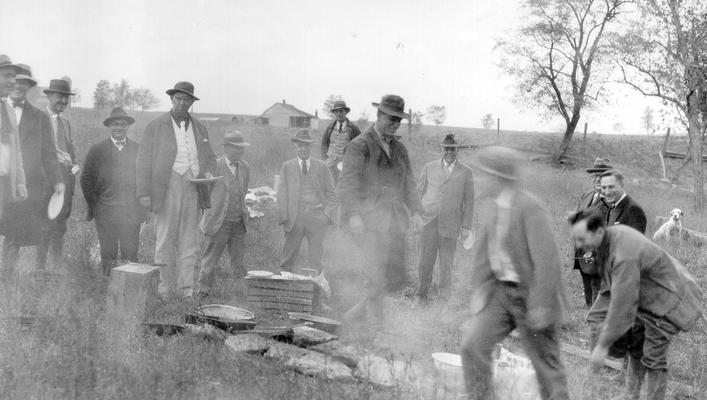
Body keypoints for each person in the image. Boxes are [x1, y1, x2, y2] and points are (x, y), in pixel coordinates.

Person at [460, 146, 569, 400]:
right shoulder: (492, 208)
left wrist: (540, 306)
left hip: (531, 295)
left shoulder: (529, 208)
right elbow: (483, 260)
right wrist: (478, 296)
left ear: (499, 177)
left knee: (547, 370)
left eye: (483, 175)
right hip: (501, 294)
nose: (478, 180)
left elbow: (548, 262)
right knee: (472, 346)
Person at [568, 209, 703, 400]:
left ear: (598, 232)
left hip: (670, 300)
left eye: (581, 239)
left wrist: (602, 346)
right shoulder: (610, 238)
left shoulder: (624, 253)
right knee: (636, 342)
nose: (578, 244)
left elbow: (623, 304)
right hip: (647, 298)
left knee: (653, 356)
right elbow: (609, 288)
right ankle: (630, 394)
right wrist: (596, 321)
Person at [337, 94, 423, 321]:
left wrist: (415, 211)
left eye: (399, 120)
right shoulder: (358, 146)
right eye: (391, 119)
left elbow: (409, 183)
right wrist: (354, 215)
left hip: (394, 221)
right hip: (367, 220)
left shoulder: (400, 149)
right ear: (380, 115)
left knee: (394, 277)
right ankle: (375, 326)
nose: (395, 124)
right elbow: (348, 184)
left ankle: (353, 316)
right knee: (375, 273)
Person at [136, 81, 216, 298]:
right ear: (172, 100)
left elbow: (210, 157)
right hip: (166, 186)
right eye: (178, 99)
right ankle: (163, 289)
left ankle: (186, 290)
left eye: (186, 100)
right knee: (165, 240)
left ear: (191, 102)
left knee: (189, 241)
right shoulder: (156, 126)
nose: (182, 103)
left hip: (194, 186)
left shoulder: (199, 127)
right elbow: (143, 160)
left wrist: (208, 173)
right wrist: (144, 192)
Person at [1, 64, 62, 272]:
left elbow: (49, 153)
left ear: (29, 87)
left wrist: (58, 181)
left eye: (25, 84)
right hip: (2, 182)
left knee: (15, 234)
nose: (20, 87)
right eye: (16, 81)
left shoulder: (39, 117)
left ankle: (7, 279)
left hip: (25, 187)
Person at [80, 107, 145, 276]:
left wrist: (141, 207)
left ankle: (130, 290)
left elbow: (145, 178)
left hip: (131, 212)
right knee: (108, 254)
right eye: (115, 124)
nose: (118, 128)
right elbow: (86, 179)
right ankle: (108, 289)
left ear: (128, 126)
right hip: (106, 211)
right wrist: (97, 205)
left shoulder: (138, 149)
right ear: (109, 126)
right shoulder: (97, 150)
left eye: (122, 124)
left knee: (130, 253)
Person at [415, 133, 473, 302]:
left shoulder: (466, 172)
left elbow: (469, 202)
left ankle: (443, 298)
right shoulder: (429, 167)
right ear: (442, 149)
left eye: (453, 149)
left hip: (451, 224)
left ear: (457, 150)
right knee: (425, 261)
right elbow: (418, 193)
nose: (450, 152)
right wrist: (417, 216)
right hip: (428, 221)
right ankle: (421, 295)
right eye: (447, 148)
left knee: (446, 263)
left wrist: (466, 227)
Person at [197, 130, 251, 298]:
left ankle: (240, 294)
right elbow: (204, 193)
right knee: (210, 260)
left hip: (238, 223)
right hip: (218, 222)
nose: (240, 152)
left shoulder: (245, 167)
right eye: (236, 148)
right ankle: (203, 292)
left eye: (242, 149)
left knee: (239, 262)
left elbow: (244, 191)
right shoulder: (215, 166)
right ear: (226, 148)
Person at [277, 129, 336, 271]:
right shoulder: (287, 167)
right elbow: (281, 194)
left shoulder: (321, 166)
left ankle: (315, 289)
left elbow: (331, 193)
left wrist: (326, 215)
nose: (303, 148)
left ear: (311, 146)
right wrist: (285, 218)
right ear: (296, 146)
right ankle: (285, 289)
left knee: (316, 258)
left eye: (307, 145)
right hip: (295, 217)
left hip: (316, 217)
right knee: (288, 257)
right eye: (300, 145)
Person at [37, 78, 78, 270]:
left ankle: (54, 269)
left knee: (60, 226)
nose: (63, 102)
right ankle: (40, 270)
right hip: (45, 179)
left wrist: (74, 165)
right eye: (60, 97)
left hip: (65, 179)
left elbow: (69, 148)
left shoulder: (66, 123)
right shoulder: (39, 118)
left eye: (66, 99)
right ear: (50, 96)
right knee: (45, 224)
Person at [573, 157, 612, 308]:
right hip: (581, 250)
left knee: (597, 286)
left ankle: (595, 321)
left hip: (597, 253)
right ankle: (589, 316)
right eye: (595, 175)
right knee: (587, 284)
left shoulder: (610, 200)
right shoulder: (588, 195)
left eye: (601, 176)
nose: (597, 179)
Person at [0, 55, 26, 229]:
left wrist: (20, 181)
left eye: (13, 77)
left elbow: (16, 150)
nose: (12, 81)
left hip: (3, 183)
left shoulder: (8, 109)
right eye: (7, 75)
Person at [320, 100, 361, 184]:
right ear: (334, 113)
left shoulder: (353, 129)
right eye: (336, 111)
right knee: (329, 185)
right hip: (330, 162)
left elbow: (359, 146)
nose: (339, 114)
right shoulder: (329, 128)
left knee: (343, 186)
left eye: (341, 111)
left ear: (345, 112)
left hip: (345, 163)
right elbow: (324, 145)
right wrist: (325, 160)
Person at [599, 169, 646, 233]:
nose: (607, 192)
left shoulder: (633, 209)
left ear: (621, 185)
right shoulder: (611, 206)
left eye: (611, 187)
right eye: (604, 188)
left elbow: (635, 241)